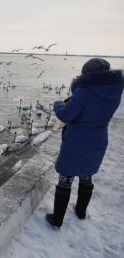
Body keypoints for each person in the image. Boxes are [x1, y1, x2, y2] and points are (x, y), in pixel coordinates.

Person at [46, 58, 123, 228]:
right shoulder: (115, 92)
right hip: (98, 139)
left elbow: (66, 116)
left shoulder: (83, 92)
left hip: (77, 140)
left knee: (66, 177)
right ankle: (81, 212)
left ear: (87, 73)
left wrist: (58, 104)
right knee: (86, 175)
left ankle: (57, 219)